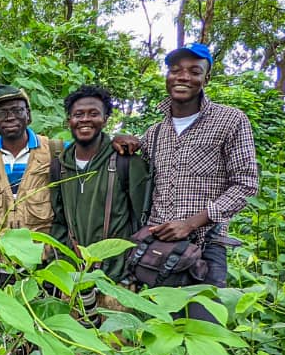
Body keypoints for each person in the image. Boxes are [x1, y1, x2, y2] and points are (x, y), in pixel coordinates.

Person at [139, 43, 258, 320]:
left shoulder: (230, 120)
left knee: (203, 332)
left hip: (205, 246)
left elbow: (245, 184)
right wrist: (125, 142)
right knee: (157, 331)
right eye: (175, 70)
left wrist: (191, 223)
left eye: (194, 71)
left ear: (207, 78)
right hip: (157, 250)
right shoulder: (155, 132)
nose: (183, 77)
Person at [49, 85, 149, 285]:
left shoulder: (125, 161)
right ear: (69, 121)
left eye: (93, 114)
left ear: (105, 119)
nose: (85, 119)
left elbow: (143, 220)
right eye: (78, 114)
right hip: (73, 276)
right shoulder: (59, 166)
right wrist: (57, 264)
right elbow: (59, 221)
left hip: (117, 275)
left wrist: (131, 269)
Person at [0, 84, 63, 282]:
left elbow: (91, 151)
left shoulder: (55, 150)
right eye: (1, 113)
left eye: (17, 110)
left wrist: (119, 141)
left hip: (44, 261)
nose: (10, 117)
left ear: (28, 115)